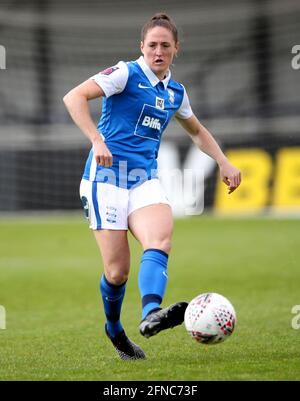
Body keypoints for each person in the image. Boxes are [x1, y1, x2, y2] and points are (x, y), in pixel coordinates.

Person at [63, 13, 241, 360]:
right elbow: (74, 97)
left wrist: (224, 161)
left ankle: (150, 314)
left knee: (160, 239)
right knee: (117, 273)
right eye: (152, 45)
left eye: (165, 46)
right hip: (105, 180)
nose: (158, 51)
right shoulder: (125, 74)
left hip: (143, 180)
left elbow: (197, 131)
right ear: (141, 47)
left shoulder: (175, 92)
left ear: (176, 50)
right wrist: (97, 140)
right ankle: (115, 330)